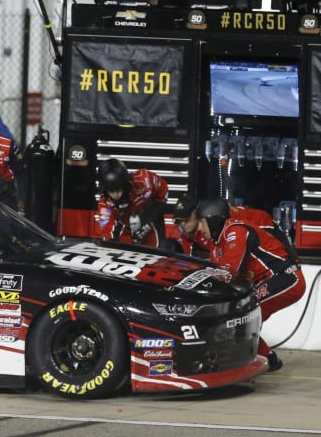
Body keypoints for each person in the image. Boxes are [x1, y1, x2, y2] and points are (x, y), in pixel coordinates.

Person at [175, 197, 306, 372]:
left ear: (213, 220)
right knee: (240, 315)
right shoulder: (217, 245)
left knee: (245, 313)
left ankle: (257, 359)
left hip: (287, 277)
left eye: (202, 223)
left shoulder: (234, 231)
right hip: (272, 280)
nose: (200, 229)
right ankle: (268, 359)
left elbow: (228, 273)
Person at [94, 158, 169, 248]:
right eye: (111, 190)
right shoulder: (104, 205)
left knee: (161, 251)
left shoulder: (144, 180)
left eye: (118, 188)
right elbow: (107, 233)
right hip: (125, 227)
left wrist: (150, 220)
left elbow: (163, 190)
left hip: (152, 220)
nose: (116, 195)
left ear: (125, 183)